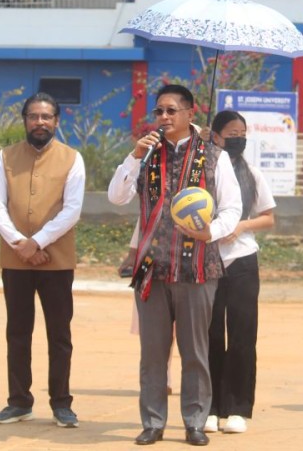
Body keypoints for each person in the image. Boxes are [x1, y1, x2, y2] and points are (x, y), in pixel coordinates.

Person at [107, 84, 242, 446]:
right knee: (152, 352)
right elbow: (117, 196)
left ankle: (195, 421)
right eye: (159, 112)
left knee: (195, 351)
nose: (163, 118)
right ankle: (152, 422)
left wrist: (210, 232)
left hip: (198, 269)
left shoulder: (214, 156)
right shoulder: (146, 155)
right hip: (152, 268)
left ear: (189, 114)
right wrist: (133, 157)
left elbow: (232, 208)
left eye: (171, 111)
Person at [0, 93, 85, 428]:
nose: (39, 122)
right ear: (25, 120)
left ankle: (61, 403)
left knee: (59, 334)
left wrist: (38, 242)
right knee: (17, 332)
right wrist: (21, 244)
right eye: (33, 116)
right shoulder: (6, 157)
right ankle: (19, 402)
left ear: (57, 121)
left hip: (56, 260)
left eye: (46, 117)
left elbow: (72, 210)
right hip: (15, 260)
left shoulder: (72, 159)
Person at [204, 111, 276, 436]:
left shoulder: (252, 173)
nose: (239, 138)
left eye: (242, 132)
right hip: (207, 260)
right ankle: (210, 406)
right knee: (210, 334)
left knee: (243, 334)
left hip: (243, 260)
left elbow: (268, 217)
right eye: (232, 132)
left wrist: (241, 225)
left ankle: (237, 408)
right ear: (215, 136)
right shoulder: (201, 173)